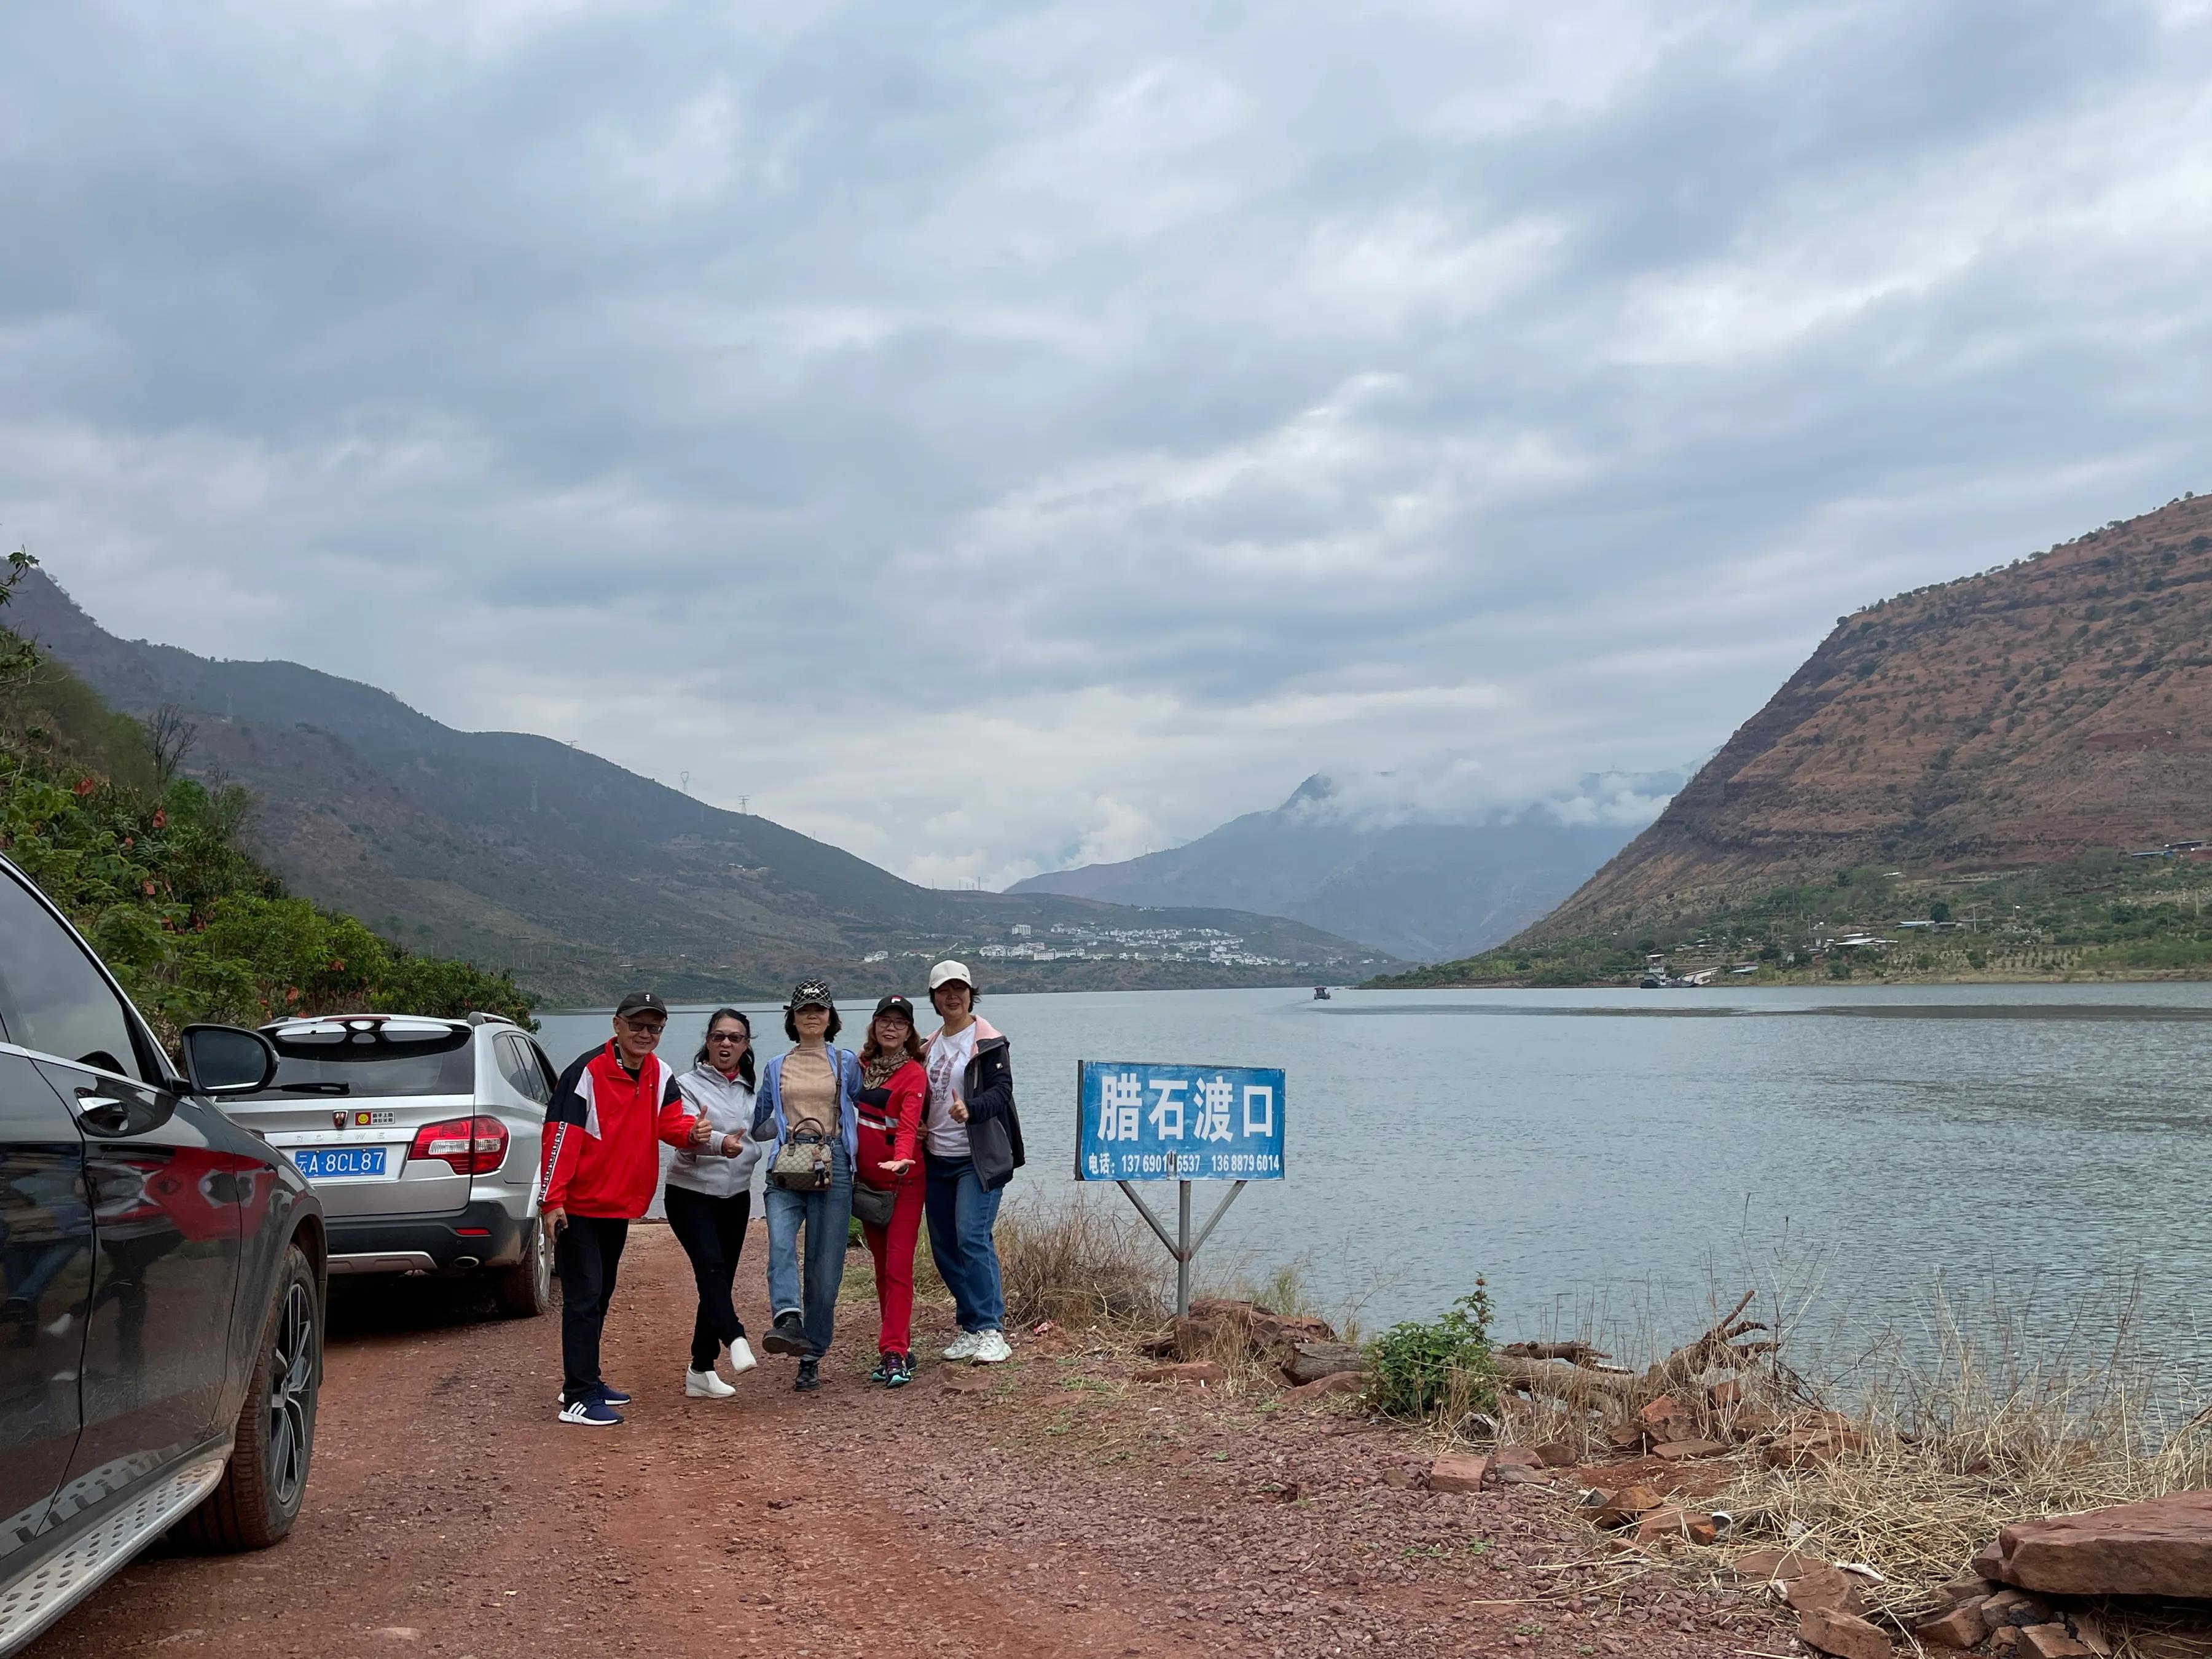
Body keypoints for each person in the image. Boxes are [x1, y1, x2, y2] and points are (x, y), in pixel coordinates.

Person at [539, 990, 713, 1426]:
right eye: (637, 1025)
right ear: (617, 1025)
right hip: (578, 1206)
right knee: (582, 1299)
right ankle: (577, 1398)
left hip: (617, 1207)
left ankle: (586, 1380)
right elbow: (560, 1136)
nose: (645, 1034)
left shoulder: (660, 1073)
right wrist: (551, 1200)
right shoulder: (586, 1072)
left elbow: (669, 1123)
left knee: (599, 1296)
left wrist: (693, 1133)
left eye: (654, 1027)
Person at [751, 978, 861, 1392]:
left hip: (833, 1162)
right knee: (780, 1243)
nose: (812, 1015)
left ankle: (812, 1354)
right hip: (788, 1163)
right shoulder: (776, 1066)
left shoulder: (846, 1063)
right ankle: (788, 1319)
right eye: (804, 1009)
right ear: (792, 1019)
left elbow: (863, 1106)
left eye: (819, 1009)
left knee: (824, 1268)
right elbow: (760, 1123)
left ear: (831, 1017)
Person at [920, 960, 1024, 1365]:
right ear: (933, 998)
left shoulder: (988, 1042)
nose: (952, 996)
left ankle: (991, 1329)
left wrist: (973, 1109)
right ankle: (969, 1326)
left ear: (970, 994)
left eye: (959, 989)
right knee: (945, 1246)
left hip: (977, 1160)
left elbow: (1002, 1092)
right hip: (937, 1160)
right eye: (944, 990)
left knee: (972, 1237)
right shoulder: (927, 1047)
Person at [665, 1008, 769, 1398]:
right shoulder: (685, 1085)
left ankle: (701, 1369)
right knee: (710, 1269)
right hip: (690, 1194)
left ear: (746, 1046)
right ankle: (734, 1335)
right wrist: (710, 1140)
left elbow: (762, 1128)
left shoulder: (748, 1089)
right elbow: (684, 1131)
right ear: (707, 1041)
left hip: (736, 1197)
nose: (726, 1044)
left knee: (719, 1281)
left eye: (735, 1038)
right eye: (719, 1037)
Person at [852, 994, 928, 1388]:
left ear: (909, 1031)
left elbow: (910, 1125)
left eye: (900, 1023)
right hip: (866, 1187)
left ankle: (895, 1352)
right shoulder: (860, 1067)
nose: (892, 1028)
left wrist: (902, 1157)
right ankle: (895, 1344)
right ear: (875, 1025)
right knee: (882, 1271)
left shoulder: (913, 1073)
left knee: (898, 1269)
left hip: (905, 1185)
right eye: (886, 1020)